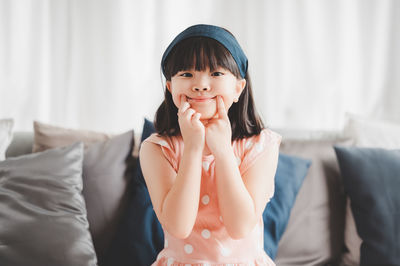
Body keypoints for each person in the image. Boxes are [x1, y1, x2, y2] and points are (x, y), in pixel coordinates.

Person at [140, 24, 282, 266]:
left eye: (216, 73)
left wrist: (223, 151)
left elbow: (239, 227)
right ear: (170, 87)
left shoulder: (261, 145)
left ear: (239, 88)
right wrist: (193, 148)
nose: (201, 85)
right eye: (186, 74)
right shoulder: (157, 148)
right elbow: (178, 226)